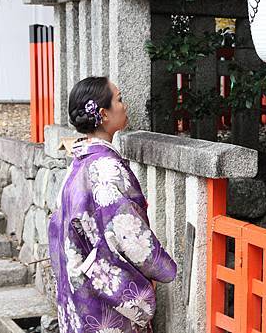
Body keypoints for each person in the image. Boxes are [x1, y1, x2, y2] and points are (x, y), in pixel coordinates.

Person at [48, 76, 177, 333]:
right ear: (104, 114)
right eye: (119, 99)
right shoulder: (106, 168)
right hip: (101, 299)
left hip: (79, 286)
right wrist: (157, 267)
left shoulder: (79, 161)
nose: (125, 105)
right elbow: (126, 230)